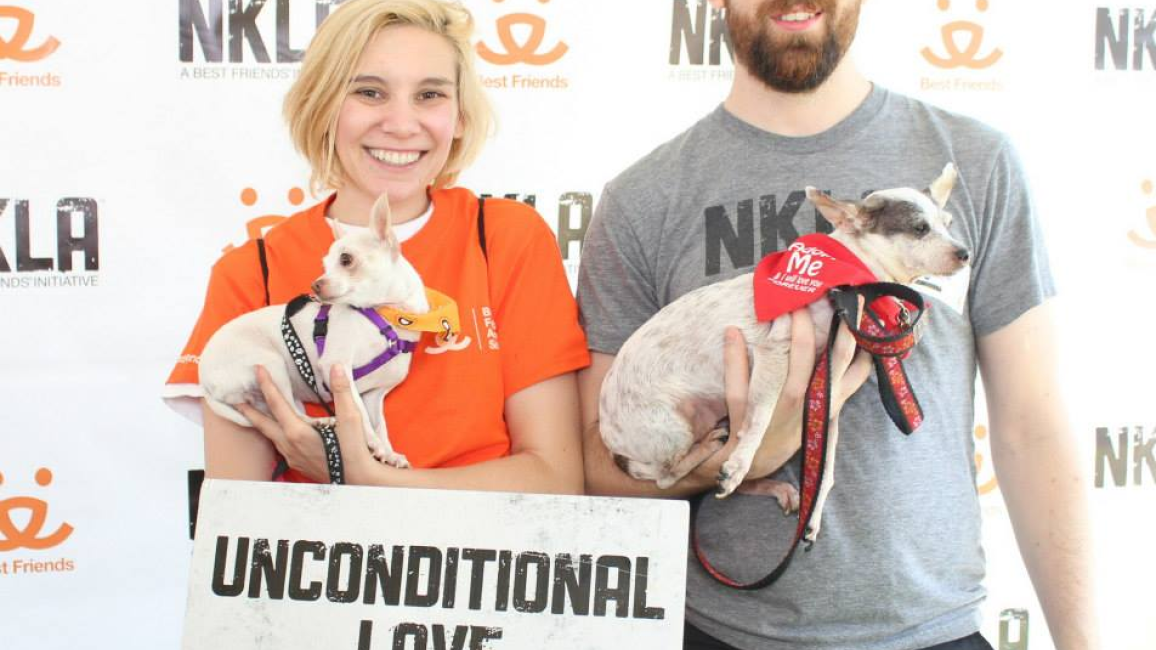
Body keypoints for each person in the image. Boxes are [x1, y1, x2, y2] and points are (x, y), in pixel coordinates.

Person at [576, 1, 1098, 649]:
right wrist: (744, 459)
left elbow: (1032, 429)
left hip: (934, 630)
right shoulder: (640, 200)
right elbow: (599, 465)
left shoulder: (980, 160)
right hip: (714, 630)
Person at [164, 0, 588, 494]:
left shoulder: (507, 238)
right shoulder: (250, 272)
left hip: (488, 563)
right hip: (325, 567)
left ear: (460, 117)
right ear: (322, 106)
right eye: (369, 92)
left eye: (430, 95)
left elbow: (555, 480)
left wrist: (366, 477)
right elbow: (241, 519)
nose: (402, 124)